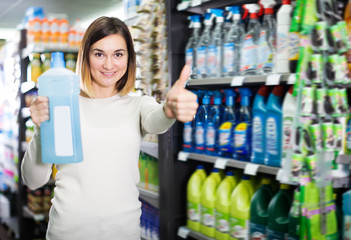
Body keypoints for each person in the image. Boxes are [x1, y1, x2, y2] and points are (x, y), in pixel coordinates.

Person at [21, 16, 198, 240]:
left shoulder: (138, 105)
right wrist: (40, 128)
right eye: (99, 54)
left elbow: (157, 120)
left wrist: (169, 110)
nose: (108, 64)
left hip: (124, 233)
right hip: (67, 232)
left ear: (129, 58)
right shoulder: (63, 105)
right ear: (85, 56)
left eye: (118, 54)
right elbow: (33, 180)